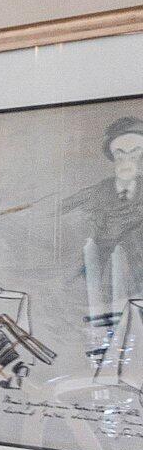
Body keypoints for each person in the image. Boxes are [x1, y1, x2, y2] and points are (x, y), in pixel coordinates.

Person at [62, 114, 143, 372]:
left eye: (135, 152)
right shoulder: (100, 191)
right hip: (102, 275)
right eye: (120, 153)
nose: (127, 159)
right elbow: (62, 208)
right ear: (111, 157)